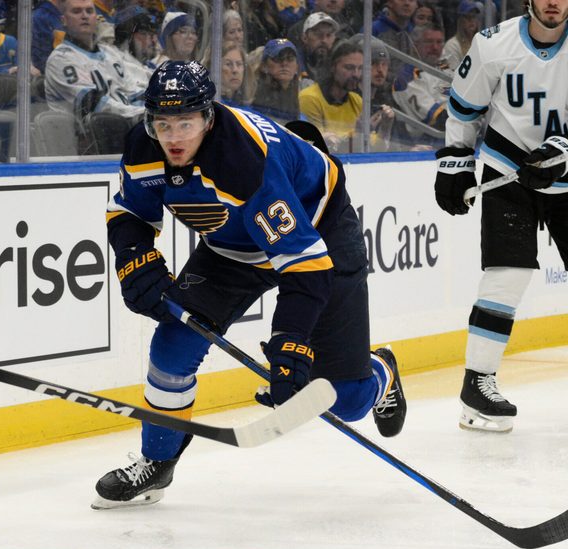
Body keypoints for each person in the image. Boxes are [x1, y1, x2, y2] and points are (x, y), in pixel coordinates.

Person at [91, 60, 407, 509]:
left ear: (208, 116)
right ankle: (156, 463)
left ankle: (382, 370)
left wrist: (291, 342)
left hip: (320, 232)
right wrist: (134, 258)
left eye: (186, 123)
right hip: (231, 248)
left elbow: (305, 264)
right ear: (149, 121)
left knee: (348, 401)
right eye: (163, 124)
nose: (174, 137)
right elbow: (129, 213)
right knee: (172, 346)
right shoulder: (144, 147)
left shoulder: (243, 162)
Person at [434, 0, 568, 433]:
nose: (554, 2)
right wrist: (455, 161)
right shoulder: (493, 45)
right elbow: (464, 108)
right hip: (507, 170)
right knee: (506, 275)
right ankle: (478, 384)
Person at [44, 0, 144, 122]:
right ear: (63, 20)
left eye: (89, 11)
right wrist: (140, 113)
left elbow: (133, 93)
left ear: (96, 18)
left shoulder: (110, 53)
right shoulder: (60, 59)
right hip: (84, 137)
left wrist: (152, 111)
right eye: (76, 11)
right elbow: (93, 105)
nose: (84, 16)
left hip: (125, 125)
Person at [298, 39, 365, 153]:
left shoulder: (357, 100)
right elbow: (319, 147)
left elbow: (372, 150)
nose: (356, 74)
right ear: (333, 67)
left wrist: (385, 128)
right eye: (349, 68)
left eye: (360, 68)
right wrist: (356, 133)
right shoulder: (309, 98)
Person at [392, 23, 449, 142]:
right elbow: (439, 119)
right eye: (429, 42)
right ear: (415, 46)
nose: (435, 47)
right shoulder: (406, 79)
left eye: (439, 42)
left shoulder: (446, 69)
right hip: (426, 143)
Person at [111, 6, 159, 95]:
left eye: (153, 34)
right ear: (126, 38)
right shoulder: (121, 68)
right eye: (144, 33)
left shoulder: (151, 66)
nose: (153, 40)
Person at [252, 38, 301, 124]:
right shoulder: (253, 94)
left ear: (297, 67)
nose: (284, 63)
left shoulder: (299, 94)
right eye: (278, 58)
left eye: (290, 59)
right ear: (264, 66)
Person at [442, 0, 484, 68]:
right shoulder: (452, 45)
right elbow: (453, 75)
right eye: (468, 17)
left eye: (474, 16)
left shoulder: (481, 42)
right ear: (460, 20)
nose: (472, 20)